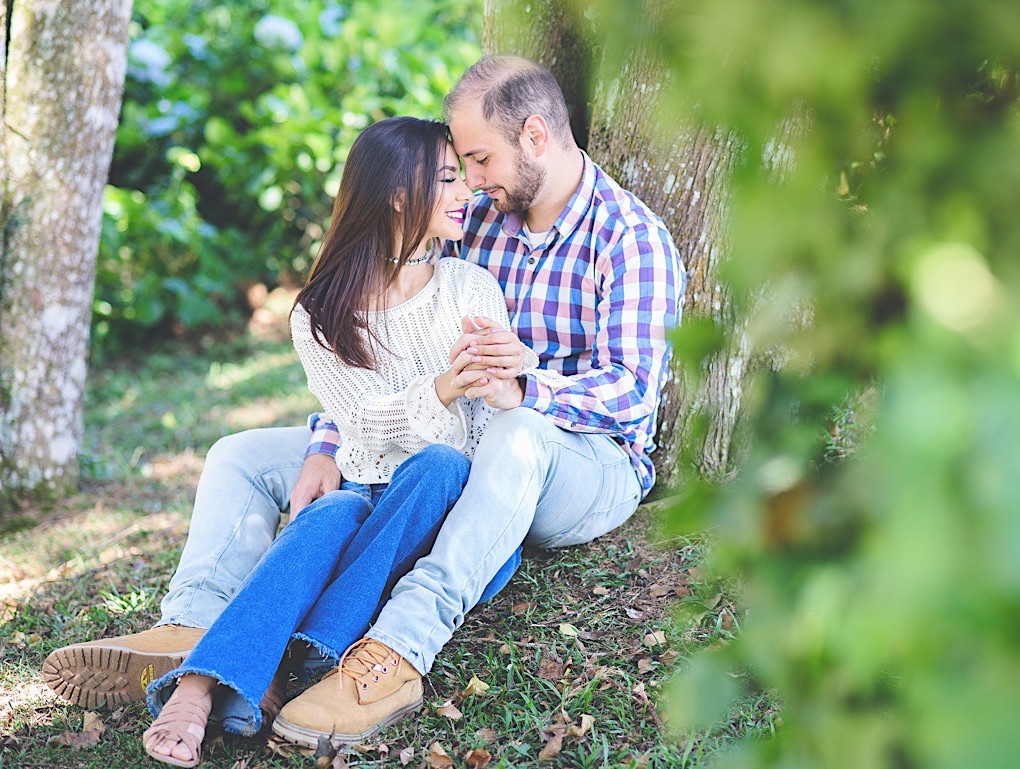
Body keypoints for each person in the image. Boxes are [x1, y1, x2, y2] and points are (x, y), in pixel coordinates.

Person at [44, 55, 685, 749]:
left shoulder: (629, 239)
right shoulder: (482, 219)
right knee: (242, 456)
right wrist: (326, 440)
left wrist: (527, 388)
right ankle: (194, 623)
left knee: (512, 431)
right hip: (437, 435)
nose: (470, 181)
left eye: (477, 158)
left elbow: (631, 394)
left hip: (579, 460)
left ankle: (399, 650)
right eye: (459, 167)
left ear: (534, 135)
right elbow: (388, 338)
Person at [137, 115, 529, 766]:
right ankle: (197, 690)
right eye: (450, 179)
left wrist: (497, 384)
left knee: (434, 464)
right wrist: (439, 390)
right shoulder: (321, 314)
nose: (468, 194)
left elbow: (492, 423)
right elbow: (361, 423)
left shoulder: (470, 287)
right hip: (369, 493)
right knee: (331, 512)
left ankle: (284, 659)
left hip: (451, 513)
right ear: (399, 192)